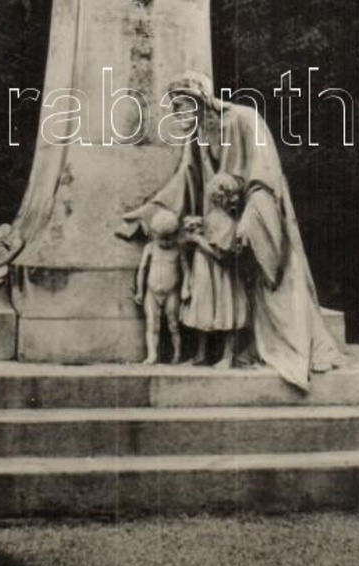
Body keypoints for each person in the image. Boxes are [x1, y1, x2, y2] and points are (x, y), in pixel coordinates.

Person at [119, 71, 344, 391]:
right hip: (218, 228)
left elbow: (265, 177)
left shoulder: (244, 120)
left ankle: (257, 343)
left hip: (249, 220)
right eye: (174, 110)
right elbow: (187, 179)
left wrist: (249, 220)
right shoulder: (197, 136)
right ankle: (212, 349)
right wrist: (148, 212)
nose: (177, 116)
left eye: (182, 107)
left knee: (275, 302)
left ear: (201, 101)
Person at [181, 172, 249, 368]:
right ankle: (201, 354)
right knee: (203, 309)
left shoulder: (227, 221)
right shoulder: (212, 216)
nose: (214, 196)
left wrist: (198, 240)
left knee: (226, 310)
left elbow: (221, 254)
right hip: (205, 271)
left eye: (219, 193)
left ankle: (228, 356)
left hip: (220, 273)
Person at [134, 208, 185, 365]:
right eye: (161, 239)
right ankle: (152, 355)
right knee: (152, 324)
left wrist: (186, 288)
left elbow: (186, 271)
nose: (165, 242)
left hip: (172, 292)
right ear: (154, 235)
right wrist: (140, 291)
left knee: (174, 324)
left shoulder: (178, 249)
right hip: (152, 291)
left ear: (175, 235)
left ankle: (177, 354)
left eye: (169, 239)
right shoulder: (150, 248)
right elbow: (142, 269)